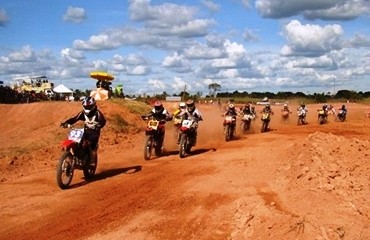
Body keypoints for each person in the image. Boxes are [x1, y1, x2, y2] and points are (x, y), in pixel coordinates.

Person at [60, 96, 106, 165]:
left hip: (94, 133)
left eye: (89, 107)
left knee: (87, 144)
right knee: (75, 140)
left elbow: (103, 122)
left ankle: (91, 159)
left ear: (93, 106)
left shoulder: (97, 113)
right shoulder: (83, 113)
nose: (87, 109)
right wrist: (66, 123)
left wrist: (98, 126)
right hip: (86, 131)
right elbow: (75, 119)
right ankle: (71, 157)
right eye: (86, 107)